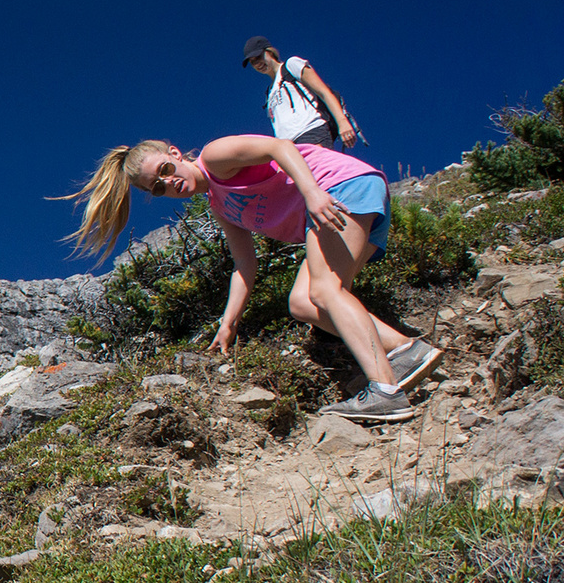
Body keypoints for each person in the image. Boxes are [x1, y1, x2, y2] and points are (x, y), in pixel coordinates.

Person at [55, 135, 442, 422]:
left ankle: (386, 392)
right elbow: (245, 265)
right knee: (303, 303)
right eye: (158, 187)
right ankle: (407, 351)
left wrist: (312, 194)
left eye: (165, 170)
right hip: (335, 203)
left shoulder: (215, 157)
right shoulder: (220, 205)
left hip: (338, 191)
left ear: (175, 154)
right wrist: (227, 324)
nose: (168, 183)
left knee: (326, 289)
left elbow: (280, 148)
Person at [242, 36, 358, 149]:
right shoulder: (269, 92)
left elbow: (324, 92)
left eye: (258, 57)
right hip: (287, 148)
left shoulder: (291, 65)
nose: (257, 63)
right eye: (252, 62)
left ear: (270, 52)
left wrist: (342, 122)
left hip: (311, 133)